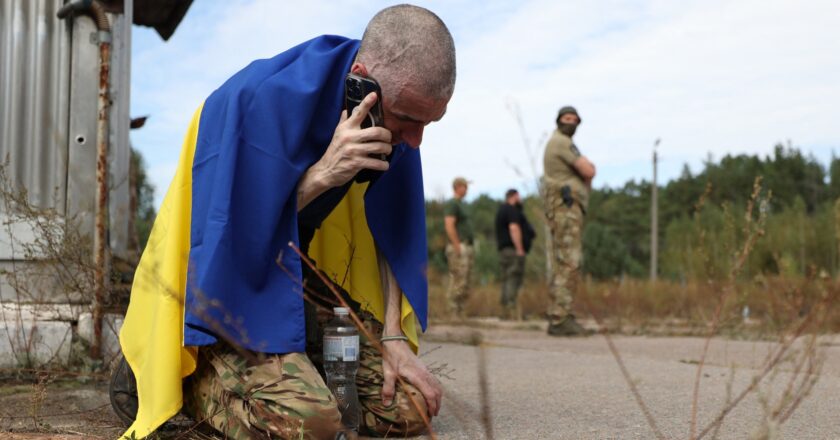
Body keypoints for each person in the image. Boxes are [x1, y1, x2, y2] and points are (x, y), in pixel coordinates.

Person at [113, 5, 456, 439]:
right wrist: (322, 175)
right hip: (220, 284)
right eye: (409, 119)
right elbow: (229, 236)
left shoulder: (393, 112)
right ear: (363, 78)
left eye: (429, 122)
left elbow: (394, 230)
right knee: (309, 423)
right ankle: (181, 374)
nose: (415, 139)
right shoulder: (259, 98)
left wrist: (392, 339)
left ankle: (291, 367)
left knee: (411, 408)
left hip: (291, 272)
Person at [542, 106, 595, 336]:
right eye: (566, 118)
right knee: (569, 262)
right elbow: (588, 170)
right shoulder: (562, 142)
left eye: (575, 119)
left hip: (566, 210)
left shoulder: (560, 141)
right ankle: (560, 318)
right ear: (558, 121)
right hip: (565, 209)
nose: (570, 122)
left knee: (565, 261)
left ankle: (561, 313)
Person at [494, 189, 535, 320]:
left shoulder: (501, 210)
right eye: (519, 196)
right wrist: (519, 249)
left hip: (504, 251)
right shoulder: (511, 210)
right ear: (514, 196)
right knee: (513, 278)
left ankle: (505, 311)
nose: (520, 199)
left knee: (507, 279)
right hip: (512, 250)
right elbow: (514, 228)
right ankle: (511, 311)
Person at [443, 176, 474, 318]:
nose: (466, 189)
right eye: (465, 186)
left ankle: (460, 313)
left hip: (467, 246)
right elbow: (449, 225)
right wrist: (457, 246)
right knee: (458, 279)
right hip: (458, 246)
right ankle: (452, 312)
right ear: (458, 187)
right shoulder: (452, 204)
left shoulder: (462, 204)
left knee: (465, 281)